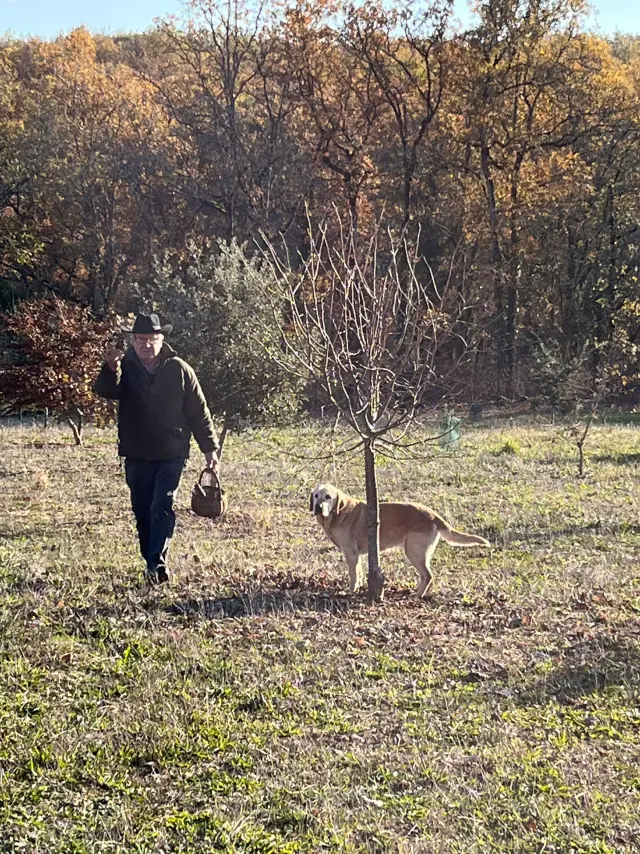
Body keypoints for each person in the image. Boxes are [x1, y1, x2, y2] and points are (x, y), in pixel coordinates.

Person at [94, 312, 219, 585]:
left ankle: (157, 566)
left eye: (151, 339)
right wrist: (109, 368)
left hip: (171, 452)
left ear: (162, 340)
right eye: (140, 340)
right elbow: (104, 391)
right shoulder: (124, 365)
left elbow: (199, 412)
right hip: (136, 453)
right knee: (142, 511)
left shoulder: (180, 369)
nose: (145, 345)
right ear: (133, 341)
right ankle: (150, 561)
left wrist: (210, 449)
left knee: (162, 505)